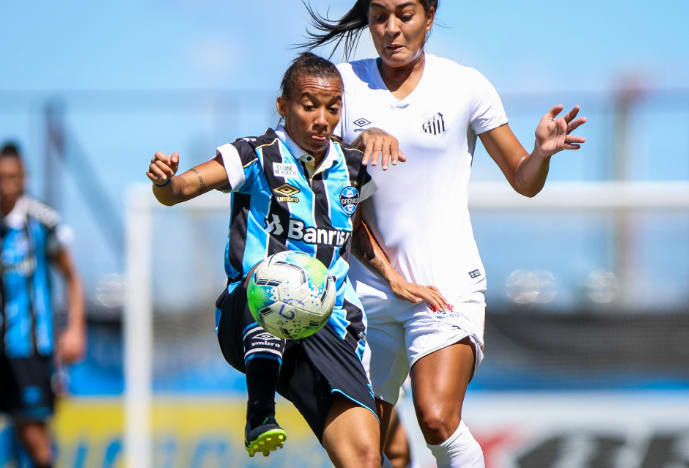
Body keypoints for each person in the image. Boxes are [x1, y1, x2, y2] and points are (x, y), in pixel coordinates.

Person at [302, 1, 588, 467]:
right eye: (379, 17)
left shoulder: (465, 86)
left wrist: (541, 154)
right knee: (359, 454)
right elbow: (298, 162)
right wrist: (351, 142)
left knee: (435, 418)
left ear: (430, 16)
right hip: (363, 289)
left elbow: (523, 178)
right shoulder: (342, 84)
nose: (391, 29)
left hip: (445, 284)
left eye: (405, 14)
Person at [146, 52, 388, 467]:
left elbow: (359, 234)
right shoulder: (255, 154)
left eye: (333, 108)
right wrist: (166, 181)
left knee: (365, 457)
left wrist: (395, 278)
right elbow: (181, 189)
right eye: (309, 105)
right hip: (248, 311)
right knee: (280, 279)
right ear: (284, 106)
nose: (322, 119)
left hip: (331, 323)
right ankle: (259, 412)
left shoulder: (351, 168)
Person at [0, 142, 86, 468]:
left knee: (34, 436)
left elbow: (71, 276)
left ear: (24, 177)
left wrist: (76, 328)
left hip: (33, 349)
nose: (7, 185)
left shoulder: (42, 220)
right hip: (3, 348)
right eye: (1, 178)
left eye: (14, 177)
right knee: (19, 433)